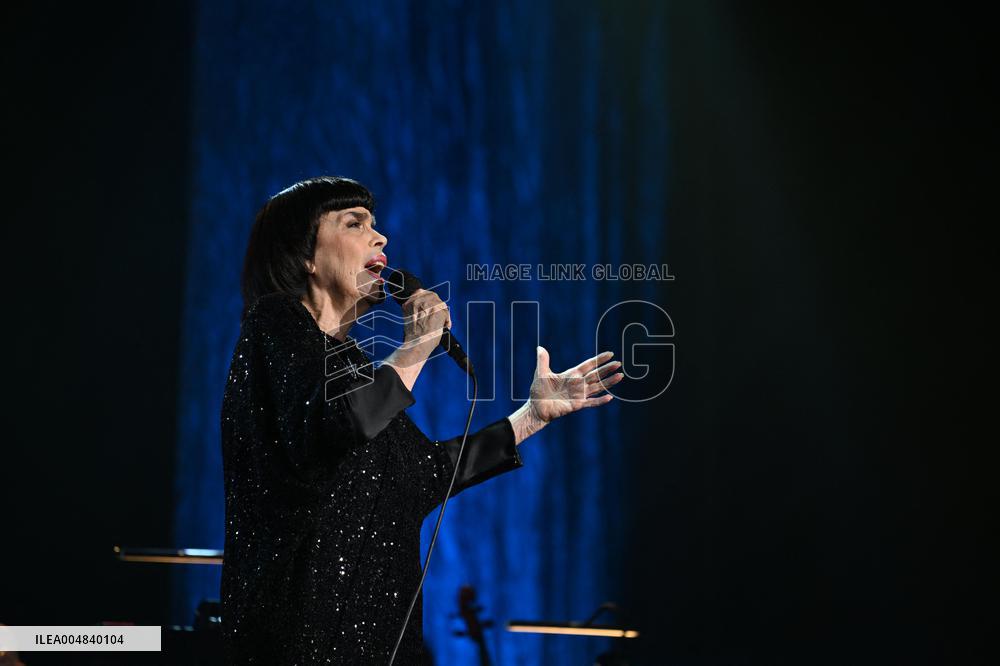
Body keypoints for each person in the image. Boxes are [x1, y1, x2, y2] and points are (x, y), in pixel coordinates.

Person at [221, 176, 623, 664]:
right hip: (302, 636)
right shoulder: (275, 322)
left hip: (383, 643)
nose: (381, 237)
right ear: (304, 255)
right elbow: (339, 423)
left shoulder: (352, 366)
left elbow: (422, 475)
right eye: (355, 223)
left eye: (376, 223)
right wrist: (416, 346)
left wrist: (532, 415)